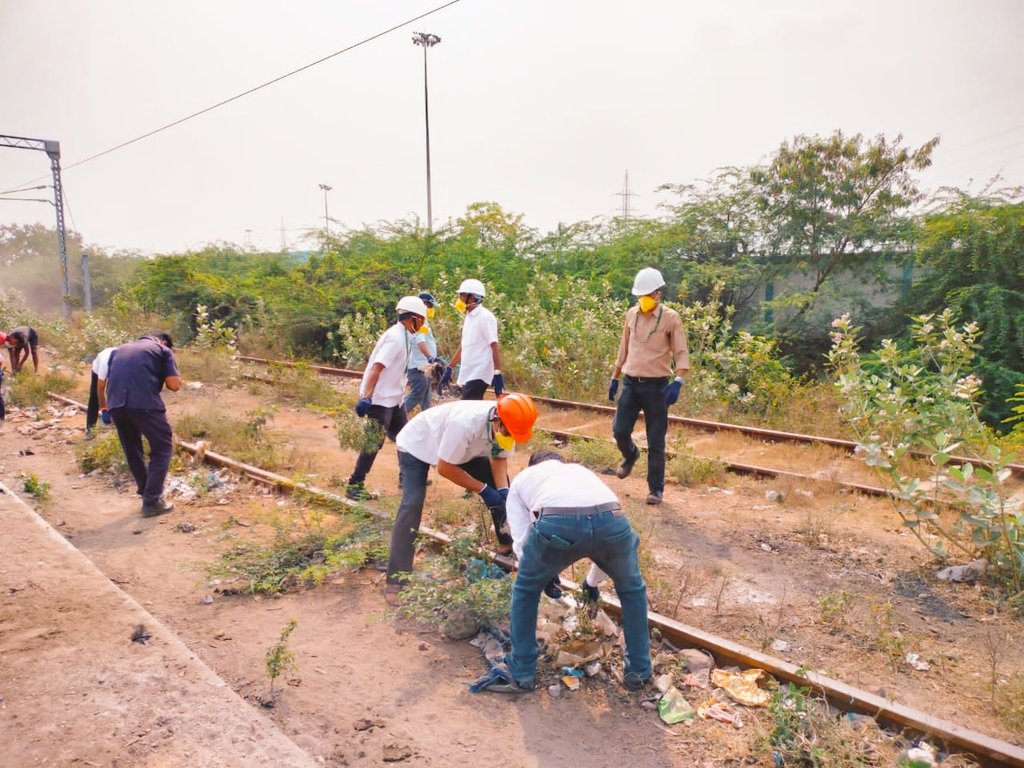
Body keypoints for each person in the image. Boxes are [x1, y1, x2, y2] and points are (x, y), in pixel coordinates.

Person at [470, 450, 651, 694]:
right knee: (632, 590)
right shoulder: (581, 472)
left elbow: (522, 541)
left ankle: (522, 671)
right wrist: (591, 583)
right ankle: (638, 673)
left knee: (525, 591)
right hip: (613, 520)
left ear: (533, 464)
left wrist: (541, 573)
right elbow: (602, 540)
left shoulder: (525, 478)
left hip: (558, 524)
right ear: (561, 463)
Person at [384, 392, 538, 604]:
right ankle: (396, 581)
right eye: (509, 433)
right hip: (418, 443)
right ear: (497, 421)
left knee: (503, 491)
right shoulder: (465, 424)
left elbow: (499, 458)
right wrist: (482, 490)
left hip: (461, 451)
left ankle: (507, 545)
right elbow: (445, 468)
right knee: (412, 503)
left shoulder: (509, 424)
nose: (510, 438)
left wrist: (502, 491)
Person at [608, 267, 689, 506]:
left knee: (656, 440)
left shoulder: (671, 318)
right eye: (639, 295)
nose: (642, 299)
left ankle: (656, 489)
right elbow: (624, 347)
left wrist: (678, 381)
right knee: (620, 430)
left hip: (657, 387)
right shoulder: (631, 314)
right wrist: (615, 376)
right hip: (631, 383)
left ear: (658, 294)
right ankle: (630, 454)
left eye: (647, 294)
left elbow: (681, 352)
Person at [346, 296, 429, 501]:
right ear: (414, 318)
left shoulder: (406, 336)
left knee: (405, 437)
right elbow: (377, 367)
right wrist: (367, 397)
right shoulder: (395, 338)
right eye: (422, 320)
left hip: (394, 398)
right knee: (374, 442)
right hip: (380, 398)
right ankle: (355, 485)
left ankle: (406, 477)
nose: (423, 324)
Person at [106, 332, 182, 517]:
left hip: (115, 404)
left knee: (132, 448)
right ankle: (152, 501)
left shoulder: (119, 350)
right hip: (144, 404)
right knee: (163, 447)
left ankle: (146, 492)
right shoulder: (162, 350)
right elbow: (174, 385)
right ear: (164, 341)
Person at [441, 278, 503, 401]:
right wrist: (450, 367)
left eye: (463, 296)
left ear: (474, 297)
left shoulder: (485, 317)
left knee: (468, 408)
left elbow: (494, 345)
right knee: (470, 409)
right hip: (468, 371)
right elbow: (464, 346)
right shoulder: (469, 317)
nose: (460, 300)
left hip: (479, 372)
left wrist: (497, 372)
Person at [403, 291, 441, 416]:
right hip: (418, 367)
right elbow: (420, 341)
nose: (431, 309)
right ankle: (397, 416)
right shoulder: (417, 322)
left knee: (426, 398)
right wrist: (430, 357)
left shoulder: (423, 321)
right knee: (417, 395)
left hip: (424, 367)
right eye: (429, 306)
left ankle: (428, 421)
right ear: (423, 304)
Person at [85, 345, 117, 437]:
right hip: (97, 369)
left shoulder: (126, 362)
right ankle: (90, 430)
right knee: (94, 397)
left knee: (115, 393)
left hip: (117, 369)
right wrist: (103, 409)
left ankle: (117, 423)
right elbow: (100, 389)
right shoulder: (104, 365)